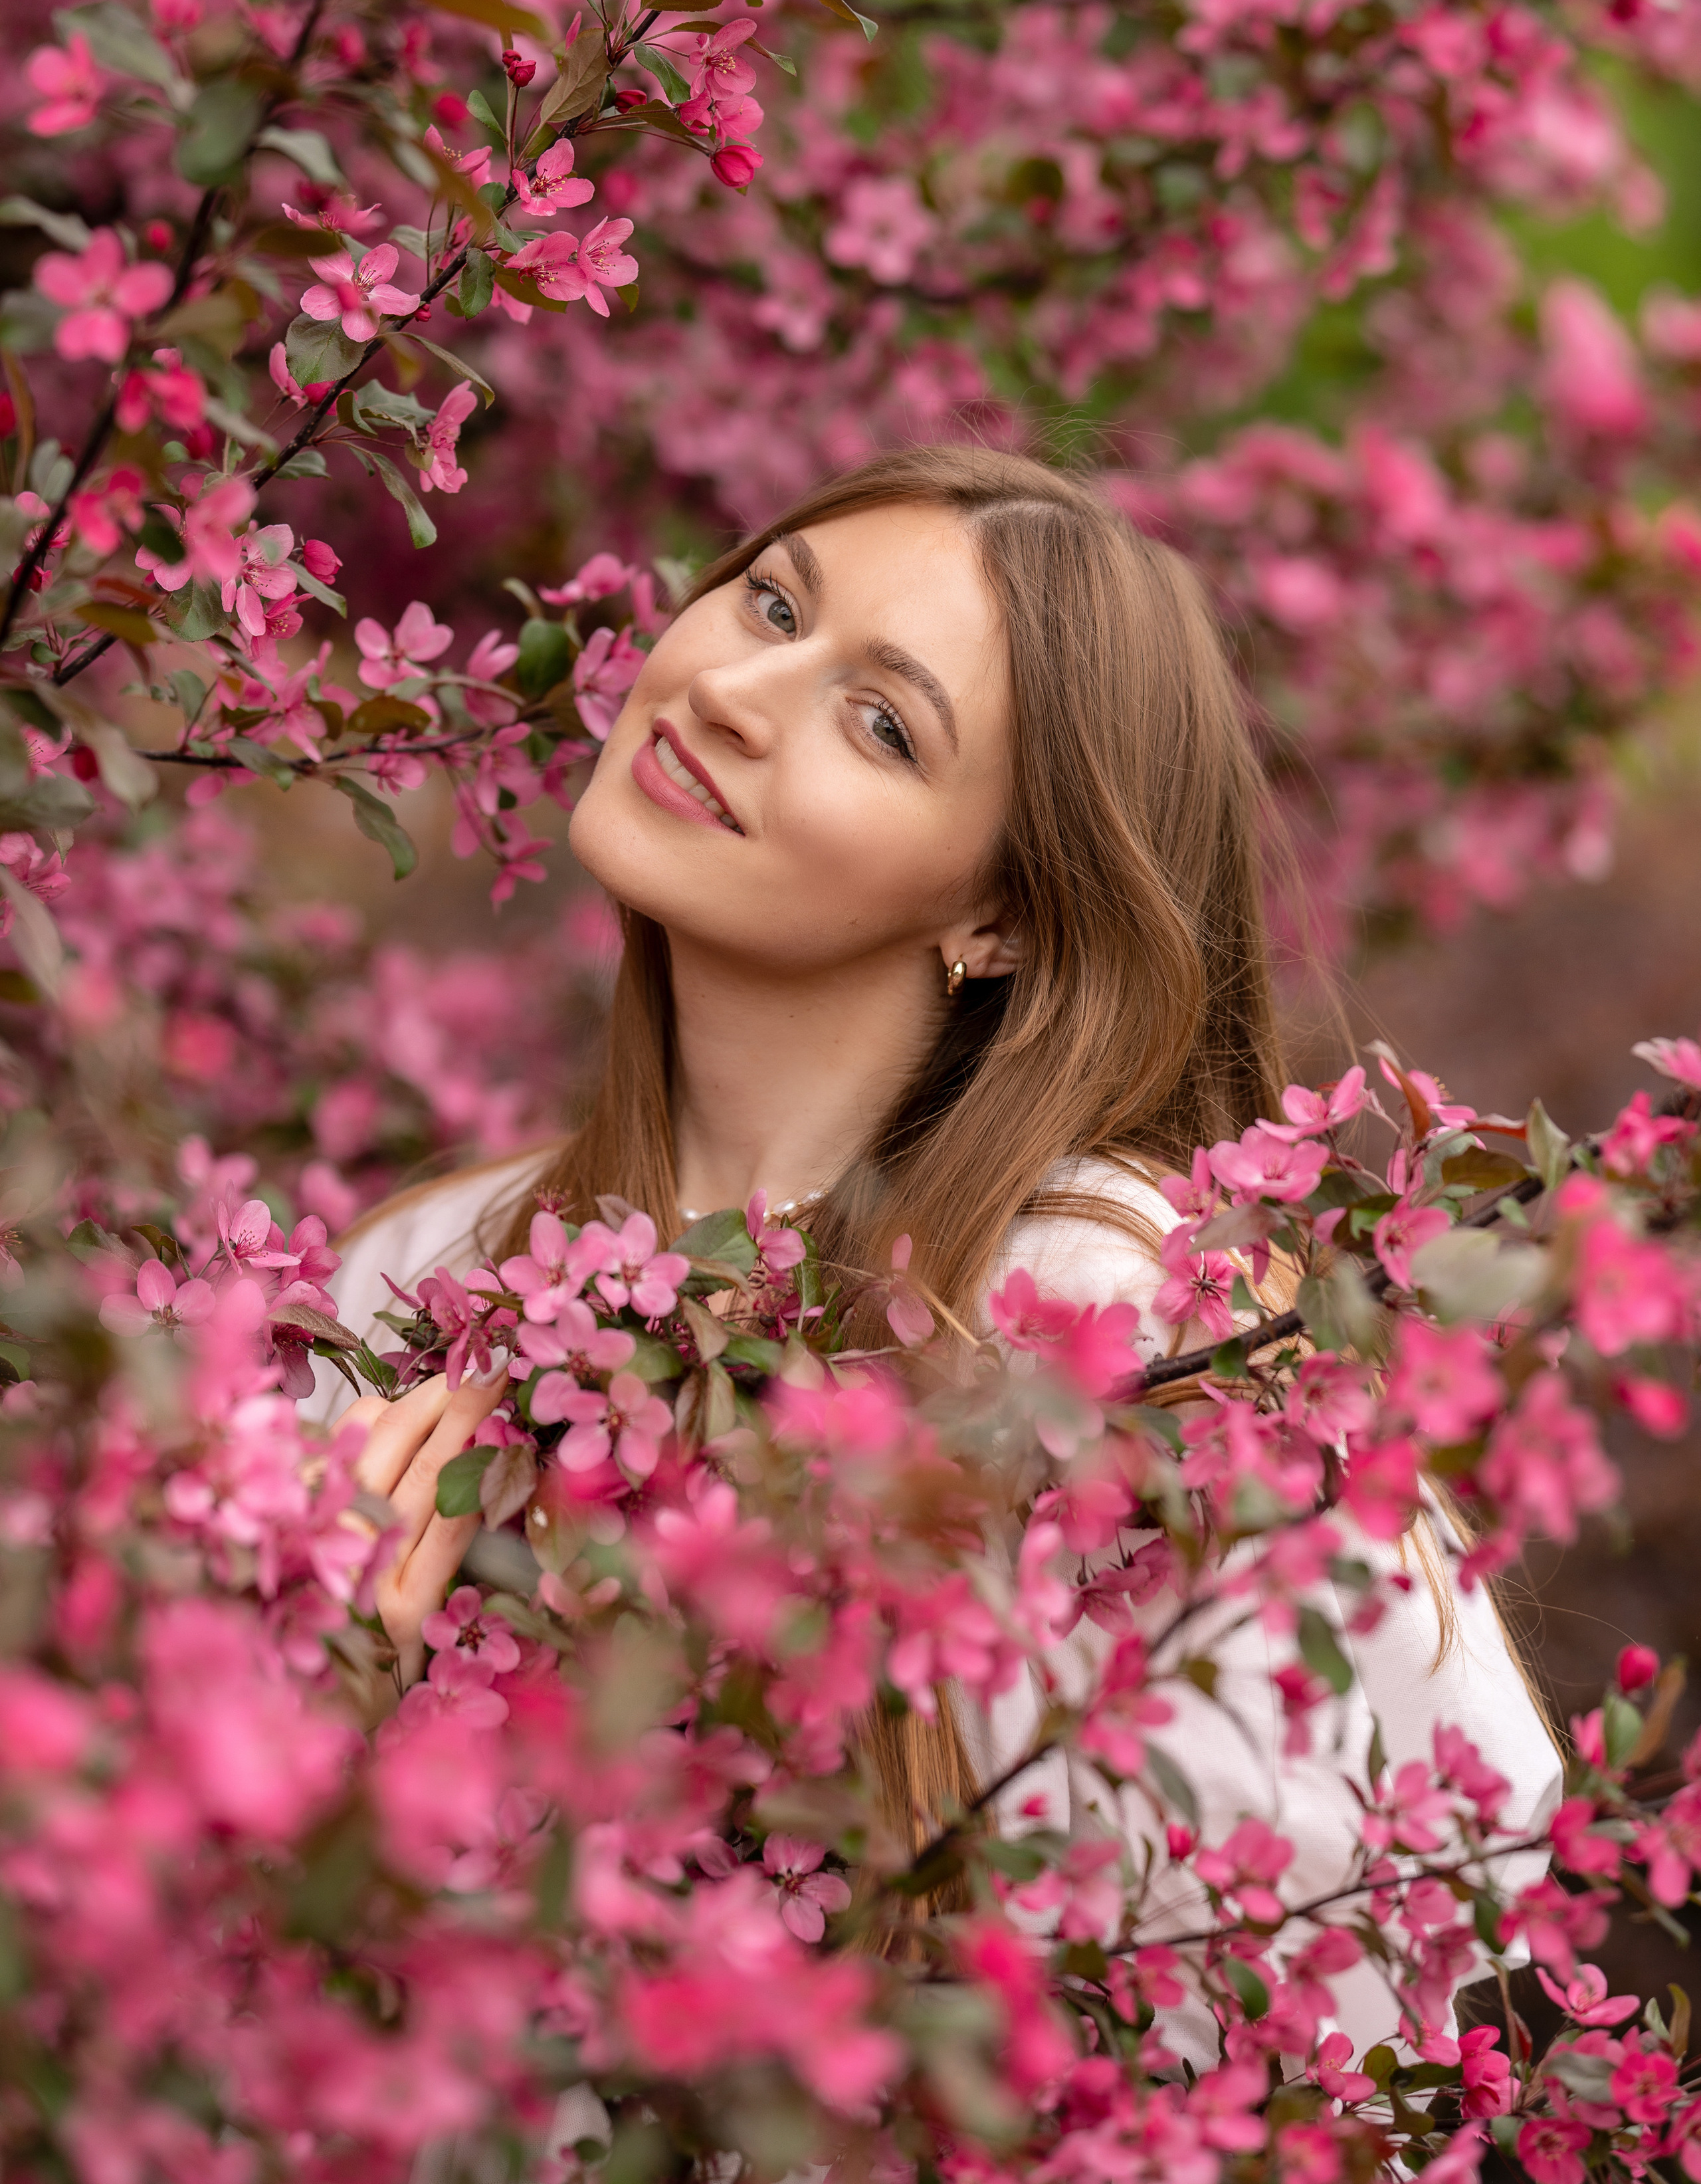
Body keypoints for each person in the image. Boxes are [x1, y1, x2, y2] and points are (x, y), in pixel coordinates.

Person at [317, 445, 1559, 2064]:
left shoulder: (1109, 1315)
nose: (739, 690)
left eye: (883, 722)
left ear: (1007, 918)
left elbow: (1341, 1948)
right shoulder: (432, 1261)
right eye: (768, 603)